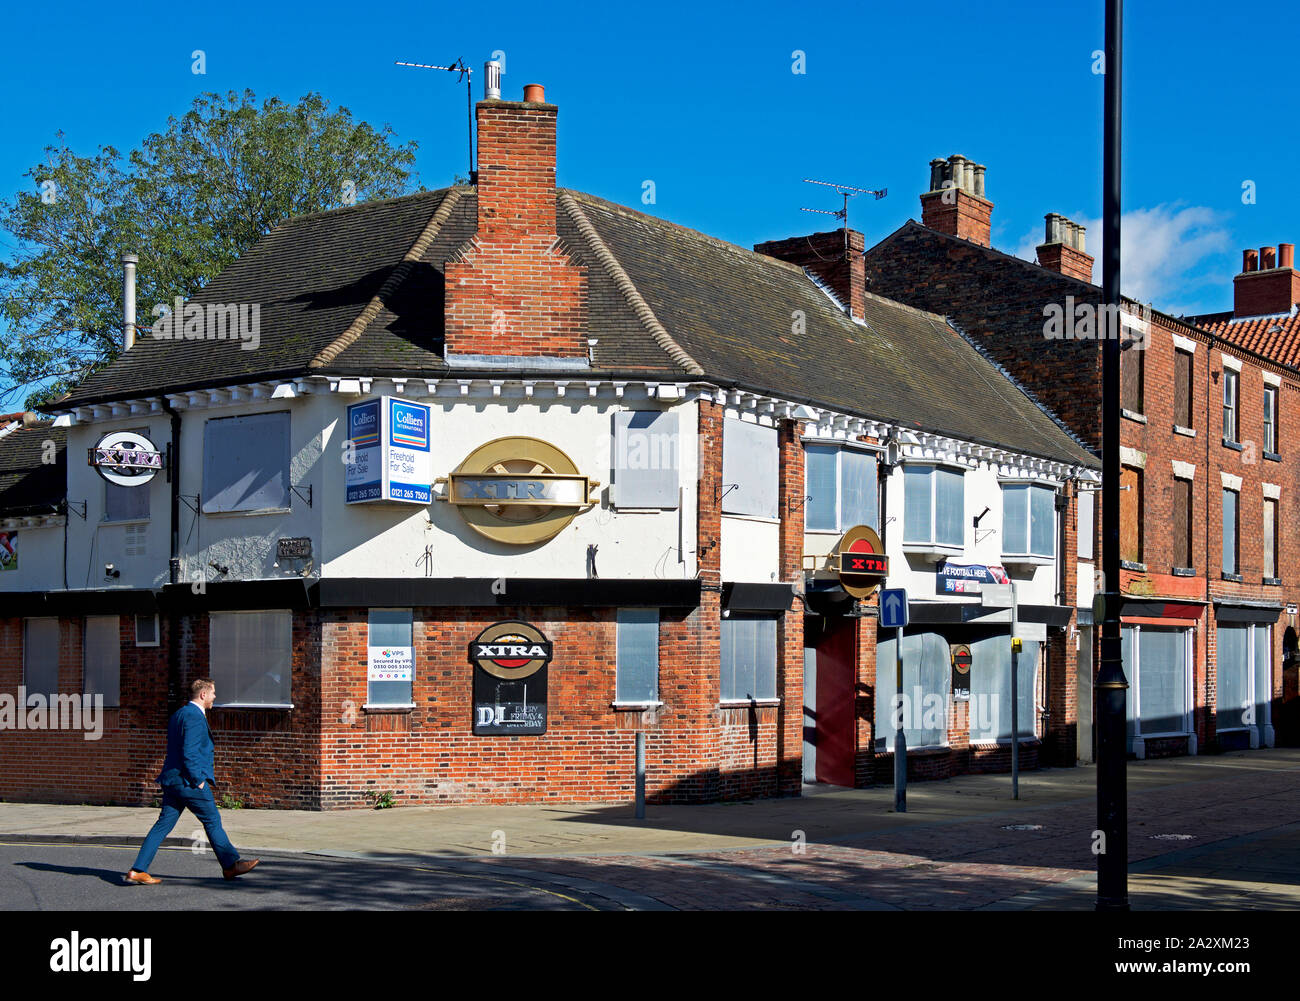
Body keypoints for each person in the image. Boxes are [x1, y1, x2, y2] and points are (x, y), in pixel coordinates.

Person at [125, 678, 260, 884]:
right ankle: (231, 865)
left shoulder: (178, 714)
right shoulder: (195, 717)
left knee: (162, 825)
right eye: (213, 693)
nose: (215, 697)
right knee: (212, 820)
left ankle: (138, 870)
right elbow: (189, 752)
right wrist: (198, 780)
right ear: (203, 694)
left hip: (172, 780)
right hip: (188, 782)